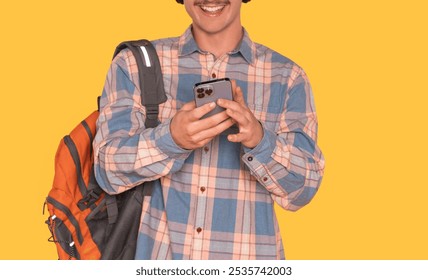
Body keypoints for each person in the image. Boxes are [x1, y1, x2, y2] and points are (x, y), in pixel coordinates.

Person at [93, 0, 325, 260]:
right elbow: (106, 169)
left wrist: (260, 140)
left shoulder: (287, 77)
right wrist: (170, 140)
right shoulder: (136, 65)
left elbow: (304, 188)